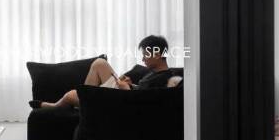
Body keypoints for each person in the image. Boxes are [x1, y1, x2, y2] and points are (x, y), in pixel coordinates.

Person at [29, 35, 179, 109]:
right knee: (99, 63)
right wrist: (131, 85)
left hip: (122, 102)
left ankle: (54, 106)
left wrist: (127, 90)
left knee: (71, 95)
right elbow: (144, 91)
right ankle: (87, 100)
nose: (143, 59)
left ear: (157, 54)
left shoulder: (165, 79)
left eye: (146, 55)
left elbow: (145, 105)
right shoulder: (154, 73)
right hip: (124, 93)